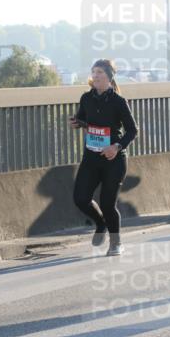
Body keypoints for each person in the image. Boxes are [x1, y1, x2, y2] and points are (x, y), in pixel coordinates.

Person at [70, 59, 139, 256]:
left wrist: (116, 147)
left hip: (114, 160)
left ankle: (116, 242)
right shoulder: (86, 98)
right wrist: (77, 122)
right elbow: (83, 119)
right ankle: (100, 223)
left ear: (109, 76)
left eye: (100, 71)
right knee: (80, 198)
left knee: (108, 203)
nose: (96, 75)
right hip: (91, 158)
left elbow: (133, 131)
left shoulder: (118, 101)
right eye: (94, 71)